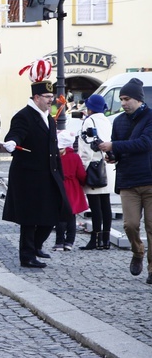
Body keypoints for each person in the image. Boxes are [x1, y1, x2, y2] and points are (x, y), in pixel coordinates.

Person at [2, 80, 71, 269]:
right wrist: (11, 143)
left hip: (49, 173)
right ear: (37, 97)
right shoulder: (24, 116)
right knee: (30, 218)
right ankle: (27, 256)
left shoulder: (47, 117)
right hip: (29, 177)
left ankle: (36, 246)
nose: (52, 101)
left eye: (52, 97)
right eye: (48, 97)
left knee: (58, 211)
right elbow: (15, 135)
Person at [97, 78, 152, 283]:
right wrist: (112, 156)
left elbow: (145, 143)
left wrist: (114, 147)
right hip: (128, 181)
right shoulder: (119, 121)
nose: (123, 103)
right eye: (121, 99)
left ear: (138, 99)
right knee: (129, 225)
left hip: (149, 179)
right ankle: (138, 251)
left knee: (151, 227)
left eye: (127, 98)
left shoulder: (150, 117)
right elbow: (118, 149)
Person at [77, 94, 115, 250]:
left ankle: (96, 239)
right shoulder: (107, 121)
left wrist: (82, 167)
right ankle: (105, 240)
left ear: (90, 107)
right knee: (106, 204)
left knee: (95, 205)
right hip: (107, 167)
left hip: (93, 167)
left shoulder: (89, 121)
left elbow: (87, 147)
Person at [53, 131, 88, 252]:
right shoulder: (75, 157)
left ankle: (59, 242)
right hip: (73, 188)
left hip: (60, 187)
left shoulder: (57, 157)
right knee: (71, 216)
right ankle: (69, 242)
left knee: (60, 217)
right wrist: (82, 183)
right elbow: (81, 174)